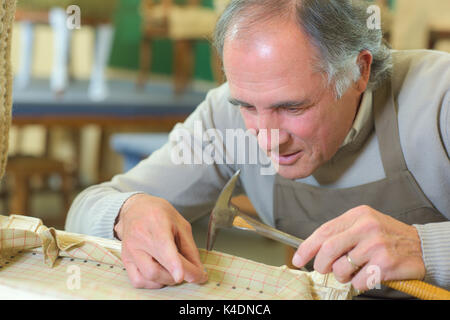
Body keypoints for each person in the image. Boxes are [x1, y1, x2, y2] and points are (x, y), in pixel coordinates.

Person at [65, 0, 450, 299]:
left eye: (292, 107)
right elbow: (86, 207)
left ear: (358, 72)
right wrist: (127, 213)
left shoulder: (439, 99)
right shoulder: (223, 116)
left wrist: (425, 248)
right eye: (247, 106)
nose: (266, 137)